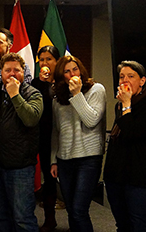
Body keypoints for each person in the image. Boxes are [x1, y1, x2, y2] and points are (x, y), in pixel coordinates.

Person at [0, 53, 43, 232]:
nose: (12, 74)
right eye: (8, 70)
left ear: (24, 72)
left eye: (17, 70)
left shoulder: (33, 94)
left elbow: (31, 119)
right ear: (1, 72)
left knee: (23, 218)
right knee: (1, 216)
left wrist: (15, 95)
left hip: (20, 167)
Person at [50, 55, 106, 232]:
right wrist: (53, 159)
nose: (72, 73)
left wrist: (77, 94)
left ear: (81, 70)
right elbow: (56, 131)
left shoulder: (97, 89)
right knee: (71, 210)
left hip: (88, 159)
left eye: (75, 69)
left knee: (79, 210)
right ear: (61, 76)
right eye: (67, 71)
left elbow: (91, 120)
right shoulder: (57, 99)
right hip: (65, 159)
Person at [104, 60, 146, 231]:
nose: (125, 81)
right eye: (121, 77)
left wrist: (127, 106)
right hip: (116, 174)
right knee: (121, 223)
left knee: (138, 223)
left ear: (142, 81)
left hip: (137, 177)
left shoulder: (138, 105)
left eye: (131, 76)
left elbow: (133, 134)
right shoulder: (119, 105)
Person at [31, 45, 60, 232]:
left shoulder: (62, 83)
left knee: (50, 180)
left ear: (57, 61)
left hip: (56, 138)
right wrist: (42, 83)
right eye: (41, 59)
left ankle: (51, 219)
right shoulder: (35, 83)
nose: (44, 63)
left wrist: (51, 84)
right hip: (37, 137)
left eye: (49, 59)